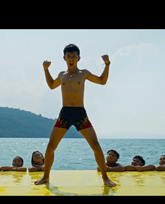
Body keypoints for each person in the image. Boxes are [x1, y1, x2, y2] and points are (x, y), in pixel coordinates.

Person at [34, 44, 116, 187]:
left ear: (78, 58)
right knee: (51, 146)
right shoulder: (62, 75)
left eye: (74, 56)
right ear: (64, 58)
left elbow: (102, 81)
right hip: (65, 113)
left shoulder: (83, 73)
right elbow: (52, 85)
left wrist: (107, 64)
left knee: (95, 145)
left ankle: (105, 178)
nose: (71, 58)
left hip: (80, 113)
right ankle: (46, 177)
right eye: (68, 56)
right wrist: (46, 69)